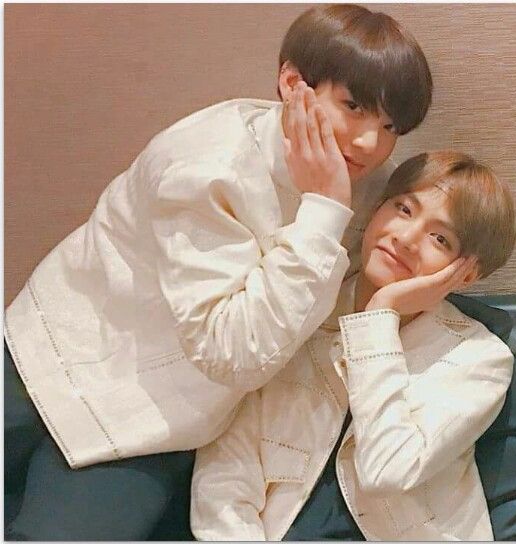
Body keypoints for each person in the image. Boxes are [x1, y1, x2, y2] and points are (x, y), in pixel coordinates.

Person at [4, 4, 433, 541]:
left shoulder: (367, 186)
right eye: (353, 106)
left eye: (389, 126)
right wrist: (324, 208)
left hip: (155, 419)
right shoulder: (206, 165)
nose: (369, 143)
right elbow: (230, 349)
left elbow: (249, 356)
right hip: (56, 352)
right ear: (293, 84)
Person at [190, 150, 516, 541]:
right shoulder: (299, 314)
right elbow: (225, 479)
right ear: (377, 209)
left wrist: (379, 315)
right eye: (403, 209)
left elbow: (387, 470)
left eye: (440, 238)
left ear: (466, 274)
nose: (405, 238)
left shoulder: (479, 360)